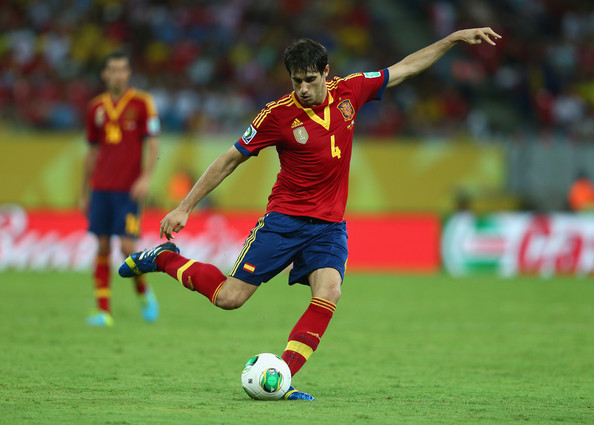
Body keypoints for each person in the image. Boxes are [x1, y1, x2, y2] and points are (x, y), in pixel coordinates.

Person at [119, 28, 501, 398]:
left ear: (326, 73)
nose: (302, 88)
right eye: (296, 81)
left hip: (329, 227)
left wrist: (452, 38)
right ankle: (166, 259)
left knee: (329, 292)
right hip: (284, 222)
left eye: (309, 80)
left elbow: (405, 67)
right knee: (229, 298)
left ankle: (282, 378)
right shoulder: (276, 115)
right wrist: (185, 207)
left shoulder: (351, 91)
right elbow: (229, 159)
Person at [81, 51, 160, 326]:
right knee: (102, 246)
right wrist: (84, 191)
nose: (118, 74)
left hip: (128, 190)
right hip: (101, 188)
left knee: (127, 247)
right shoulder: (95, 108)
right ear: (105, 74)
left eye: (122, 69)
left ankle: (143, 291)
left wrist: (146, 177)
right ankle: (104, 311)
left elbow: (153, 143)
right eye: (113, 69)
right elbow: (91, 151)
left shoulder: (142, 102)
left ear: (129, 73)